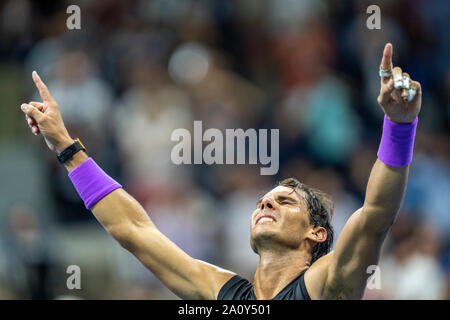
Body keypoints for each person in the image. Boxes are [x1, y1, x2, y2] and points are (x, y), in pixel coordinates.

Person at [20, 43, 422, 300]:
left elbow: (374, 216)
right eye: (266, 198)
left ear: (315, 234)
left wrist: (400, 126)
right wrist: (67, 148)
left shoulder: (327, 286)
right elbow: (134, 230)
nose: (266, 201)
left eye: (285, 201)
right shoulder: (225, 296)